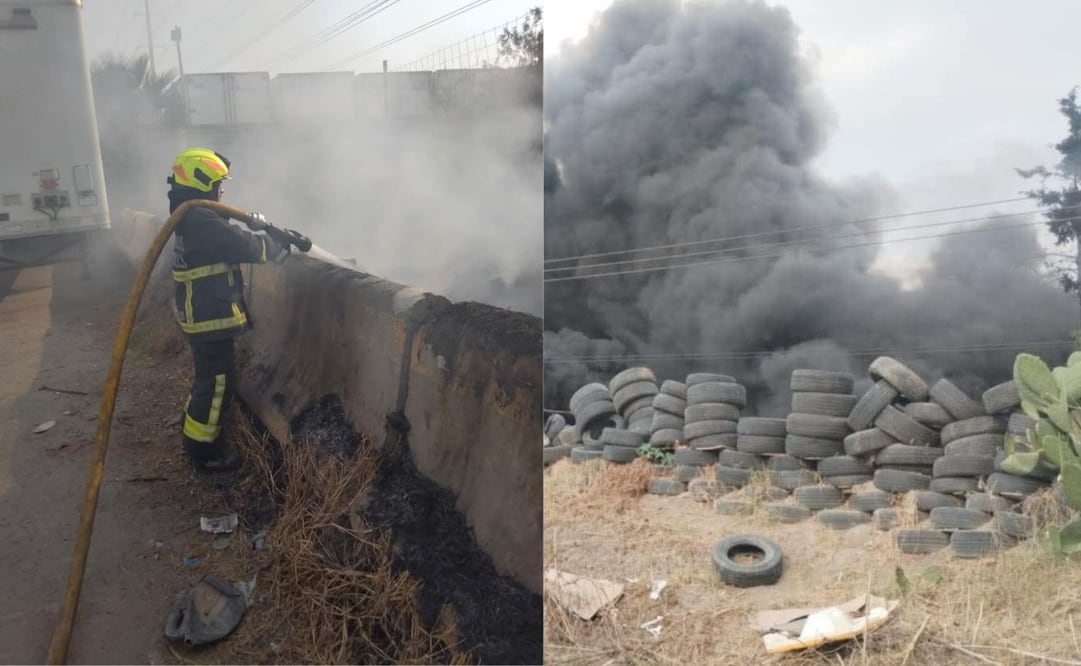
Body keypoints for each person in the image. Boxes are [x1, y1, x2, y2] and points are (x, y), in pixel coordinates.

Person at [166, 148, 285, 472]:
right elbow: (242, 245)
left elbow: (222, 232)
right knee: (217, 384)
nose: (221, 190)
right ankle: (205, 453)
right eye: (218, 183)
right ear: (202, 183)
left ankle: (191, 429)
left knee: (209, 379)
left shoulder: (191, 215)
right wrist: (275, 245)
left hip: (203, 312)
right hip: (209, 315)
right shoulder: (199, 219)